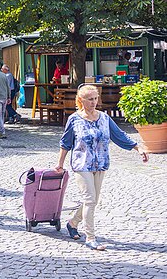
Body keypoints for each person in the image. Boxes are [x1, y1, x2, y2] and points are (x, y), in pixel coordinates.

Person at [55, 84, 148, 251]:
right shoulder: (74, 119)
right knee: (90, 200)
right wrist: (60, 164)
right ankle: (90, 238)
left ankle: (72, 223)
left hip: (101, 164)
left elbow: (119, 135)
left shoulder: (104, 118)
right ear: (81, 100)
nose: (93, 102)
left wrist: (137, 148)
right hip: (81, 164)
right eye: (90, 99)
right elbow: (66, 143)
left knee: (93, 200)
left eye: (95, 98)